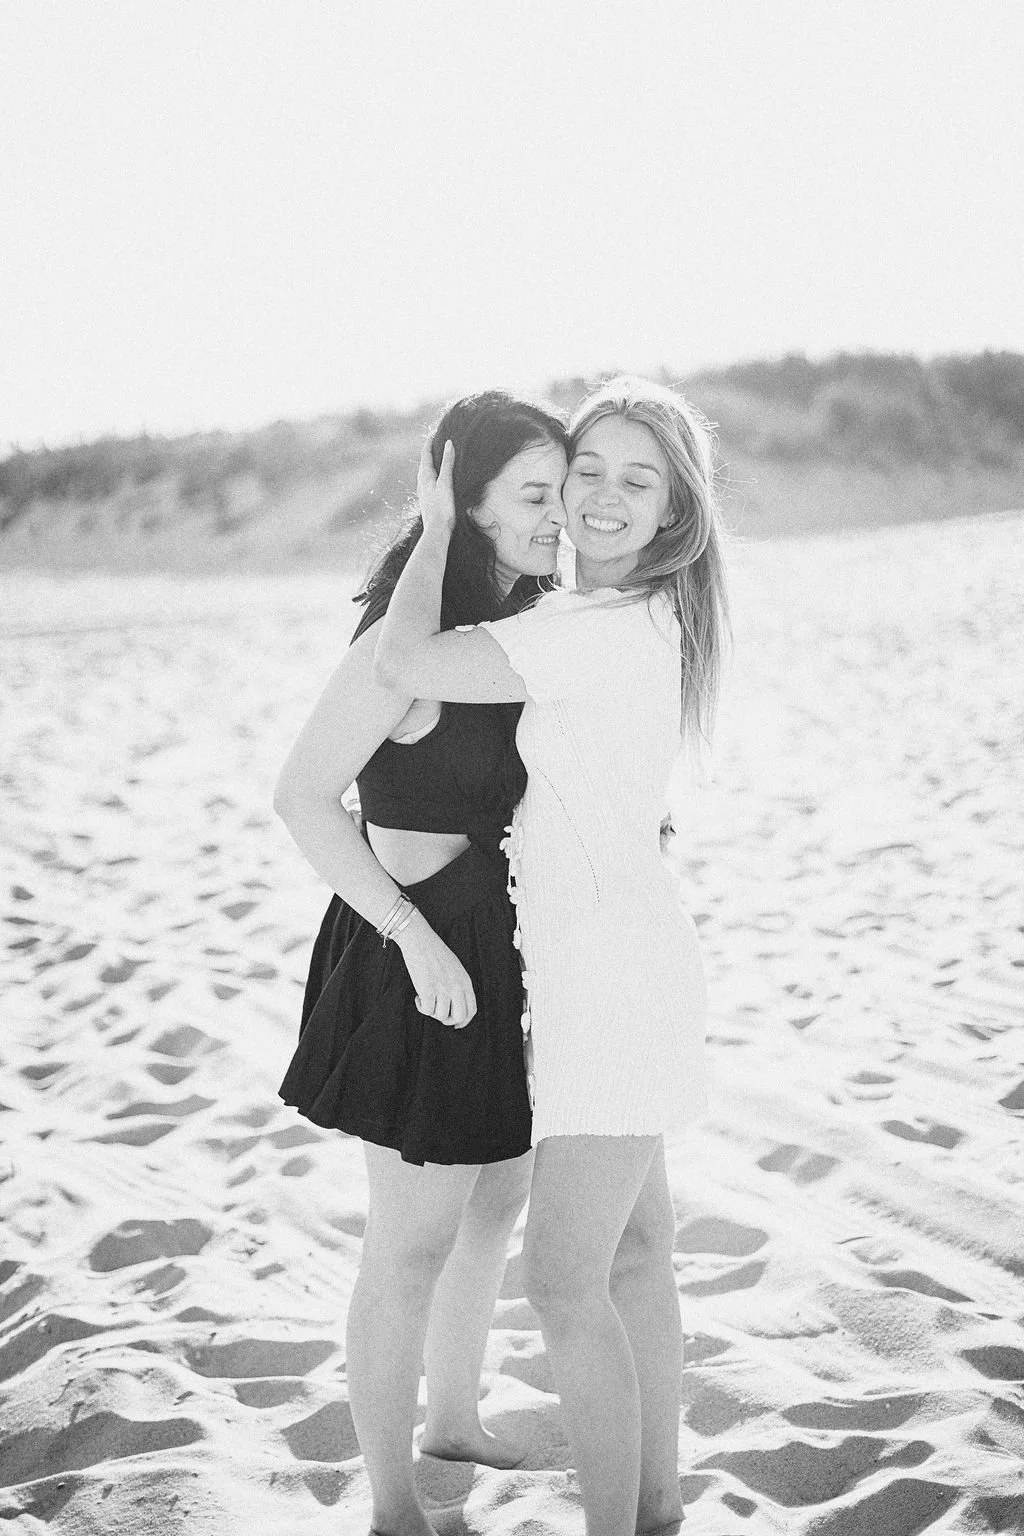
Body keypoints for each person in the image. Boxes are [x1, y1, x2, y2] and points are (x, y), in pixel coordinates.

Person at [374, 375, 729, 1536]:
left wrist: (438, 524)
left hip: (608, 984)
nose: (605, 496)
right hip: (636, 964)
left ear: (676, 511)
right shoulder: (647, 617)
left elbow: (406, 662)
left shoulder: (588, 630)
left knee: (565, 1283)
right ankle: (657, 1507)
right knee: (637, 1257)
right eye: (588, 471)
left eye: (639, 480)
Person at [273, 391, 568, 1535]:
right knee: (408, 1245)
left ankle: (454, 1422)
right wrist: (412, 935)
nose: (557, 516)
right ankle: (393, 1505)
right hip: (413, 949)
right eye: (533, 495)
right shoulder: (399, 649)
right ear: (464, 503)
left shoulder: (517, 630)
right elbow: (302, 799)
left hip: (501, 945)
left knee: (496, 1198)